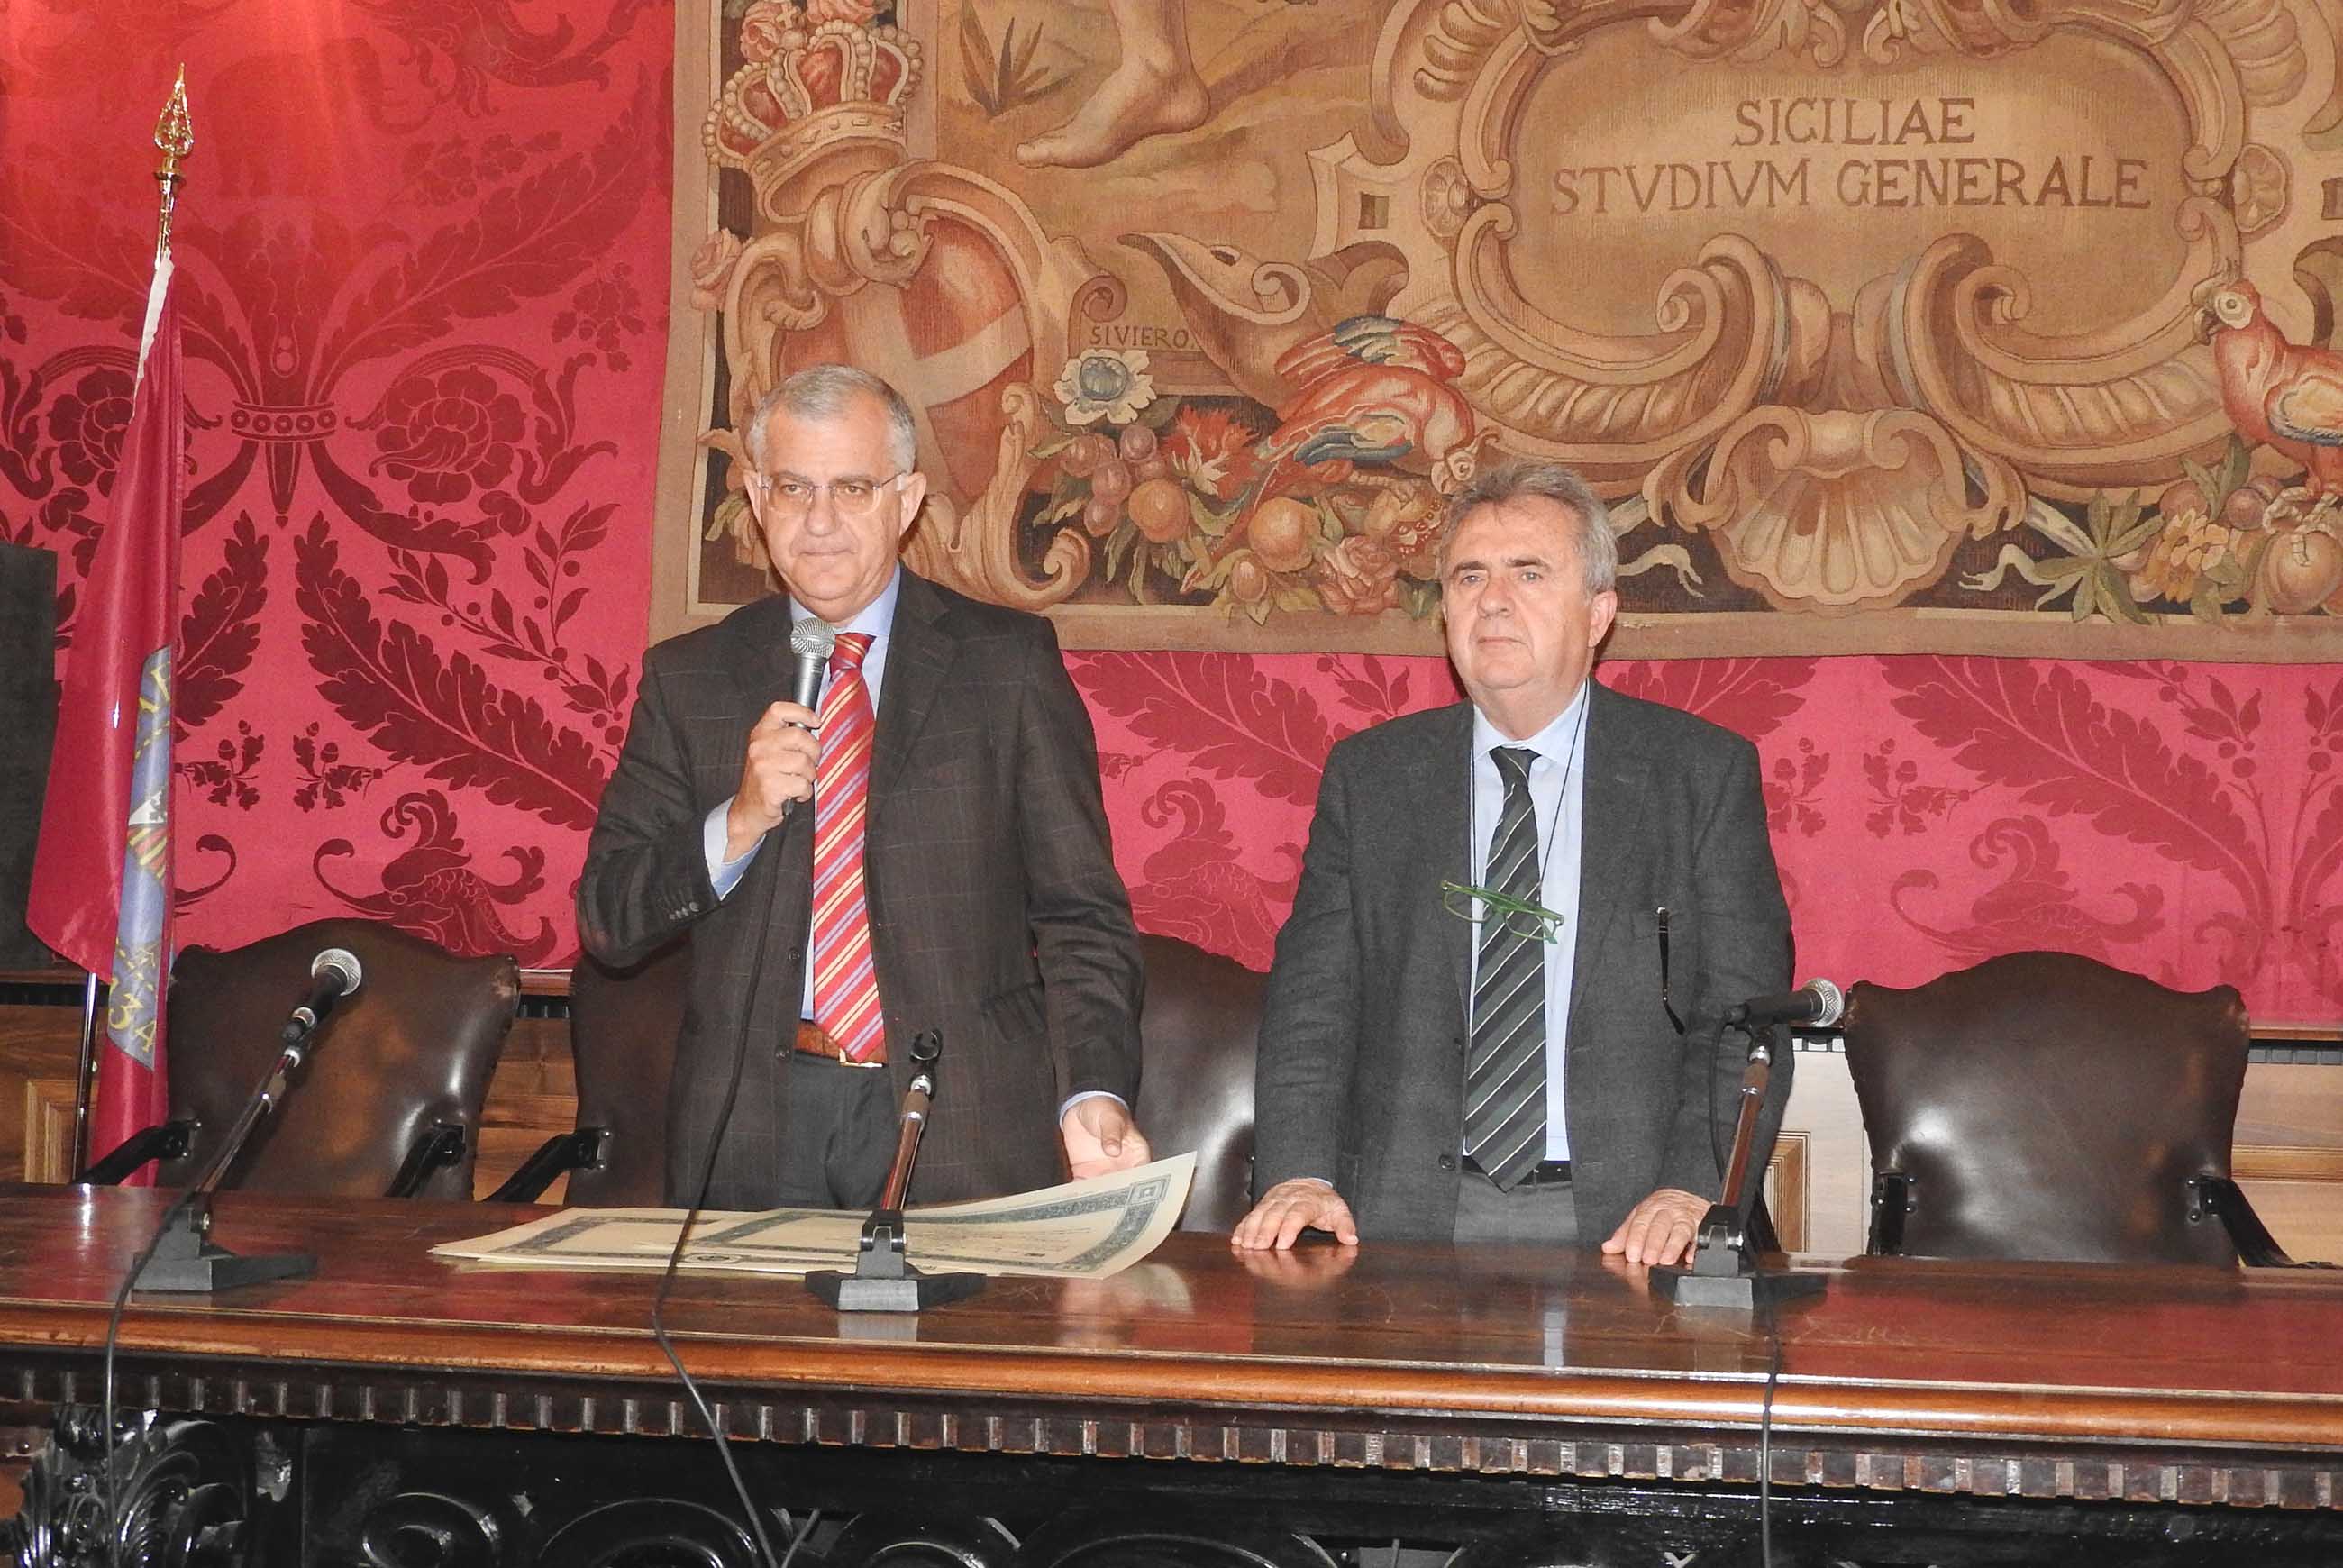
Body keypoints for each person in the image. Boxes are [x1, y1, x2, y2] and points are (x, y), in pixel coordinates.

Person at [577, 365, 1149, 1210]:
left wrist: (1092, 1091)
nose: (820, 522)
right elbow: (609, 922)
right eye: (794, 488)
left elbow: (1082, 916)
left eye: (852, 488)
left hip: (962, 1119)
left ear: (906, 500)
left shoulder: (1006, 666)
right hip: (753, 1129)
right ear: (757, 497)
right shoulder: (691, 678)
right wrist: (737, 822)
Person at [1231, 458, 1791, 1264]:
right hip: (1399, 1218)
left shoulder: (1697, 774)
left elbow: (1742, 1016)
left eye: (1528, 573)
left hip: (1633, 1222)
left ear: (1598, 613)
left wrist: (1690, 1187)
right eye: (1469, 577)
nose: (1492, 599)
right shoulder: (1374, 777)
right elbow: (1313, 1004)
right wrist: (1299, 1173)